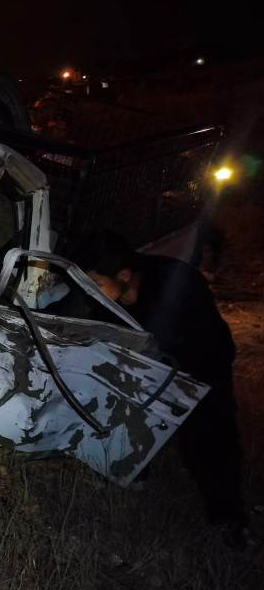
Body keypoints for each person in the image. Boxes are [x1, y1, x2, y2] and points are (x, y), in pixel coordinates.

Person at [75, 231, 246, 546]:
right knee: (118, 406)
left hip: (203, 366)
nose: (90, 292)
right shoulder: (110, 297)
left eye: (96, 284)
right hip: (154, 366)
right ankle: (130, 472)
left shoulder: (176, 285)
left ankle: (230, 521)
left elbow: (207, 345)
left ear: (124, 275)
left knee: (209, 443)